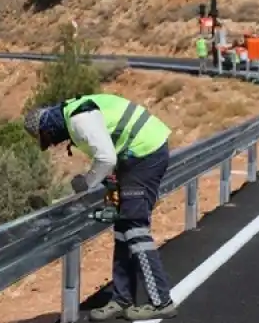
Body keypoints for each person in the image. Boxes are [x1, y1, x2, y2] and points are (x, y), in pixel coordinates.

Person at [23, 94, 178, 321]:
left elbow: (106, 157)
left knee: (135, 228)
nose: (52, 143)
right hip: (136, 155)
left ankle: (161, 301)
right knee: (122, 229)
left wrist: (86, 183)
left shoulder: (78, 119)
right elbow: (108, 151)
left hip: (145, 153)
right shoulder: (73, 116)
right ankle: (122, 299)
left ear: (48, 127)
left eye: (47, 138)